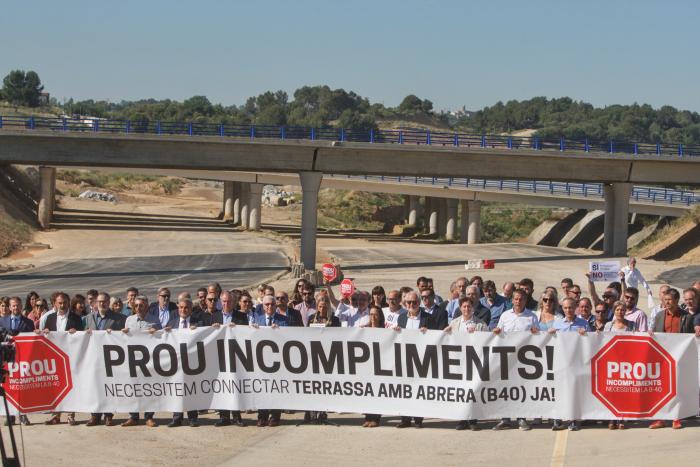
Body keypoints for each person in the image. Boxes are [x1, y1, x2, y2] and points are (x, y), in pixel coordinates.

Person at [492, 289, 539, 431]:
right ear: (512, 300)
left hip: (524, 359)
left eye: (521, 299)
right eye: (516, 299)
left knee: (521, 389)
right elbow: (498, 332)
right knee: (505, 388)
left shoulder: (531, 316)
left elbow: (538, 337)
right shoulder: (505, 315)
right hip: (506, 357)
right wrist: (496, 332)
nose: (518, 302)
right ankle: (505, 419)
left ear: (526, 300)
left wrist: (536, 333)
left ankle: (521, 418)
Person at [649, 288, 695, 430]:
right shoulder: (659, 316)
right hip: (662, 359)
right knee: (661, 388)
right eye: (665, 299)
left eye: (669, 300)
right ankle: (660, 419)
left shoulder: (687, 317)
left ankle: (676, 418)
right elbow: (655, 334)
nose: (666, 302)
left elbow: (691, 337)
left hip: (679, 359)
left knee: (677, 388)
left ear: (676, 301)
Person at [39, 292, 83, 426]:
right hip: (54, 358)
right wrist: (43, 333)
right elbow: (43, 337)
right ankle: (55, 415)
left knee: (70, 387)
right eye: (59, 303)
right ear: (54, 303)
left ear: (68, 302)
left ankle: (70, 415)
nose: (62, 305)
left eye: (64, 302)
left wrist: (76, 333)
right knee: (55, 387)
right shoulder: (49, 318)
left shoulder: (76, 318)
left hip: (70, 357)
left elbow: (81, 337)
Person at [85, 292, 126, 427]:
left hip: (111, 359)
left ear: (109, 303)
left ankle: (108, 415)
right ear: (96, 303)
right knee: (95, 387)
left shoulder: (119, 319)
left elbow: (124, 338)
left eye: (105, 301)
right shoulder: (88, 318)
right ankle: (94, 415)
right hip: (94, 359)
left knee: (109, 387)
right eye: (100, 301)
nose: (102, 304)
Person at [550, 297, 588, 431]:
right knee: (560, 391)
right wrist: (549, 335)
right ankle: (558, 419)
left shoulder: (584, 323)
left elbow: (590, 343)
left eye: (571, 307)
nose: (568, 310)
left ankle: (573, 420)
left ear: (575, 307)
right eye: (565, 308)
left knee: (574, 391)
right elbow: (549, 341)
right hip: (560, 363)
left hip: (577, 363)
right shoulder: (557, 324)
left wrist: (586, 334)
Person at [210, 291, 248, 427]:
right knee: (221, 387)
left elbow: (246, 334)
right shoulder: (214, 316)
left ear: (234, 303)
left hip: (235, 357)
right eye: (224, 301)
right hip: (219, 356)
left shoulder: (242, 317)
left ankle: (237, 416)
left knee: (235, 386)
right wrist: (212, 329)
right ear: (221, 302)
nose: (226, 304)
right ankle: (224, 416)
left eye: (229, 302)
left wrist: (237, 328)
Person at [121, 295, 159, 427]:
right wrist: (122, 333)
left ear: (147, 306)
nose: (138, 308)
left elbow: (162, 339)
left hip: (149, 360)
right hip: (133, 359)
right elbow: (124, 339)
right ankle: (133, 416)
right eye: (136, 305)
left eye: (141, 305)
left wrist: (157, 332)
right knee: (133, 388)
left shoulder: (154, 320)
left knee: (149, 388)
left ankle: (149, 416)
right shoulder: (129, 320)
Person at [250, 295, 287, 426]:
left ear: (276, 306)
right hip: (261, 361)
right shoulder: (257, 320)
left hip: (278, 360)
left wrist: (280, 331)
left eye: (272, 304)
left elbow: (289, 338)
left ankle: (275, 416)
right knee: (262, 388)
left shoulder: (283, 320)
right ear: (263, 306)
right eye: (267, 305)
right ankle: (262, 416)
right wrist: (252, 331)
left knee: (276, 388)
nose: (269, 307)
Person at [167, 297, 202, 428]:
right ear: (178, 308)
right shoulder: (172, 323)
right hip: (176, 363)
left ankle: (193, 418)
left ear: (191, 309)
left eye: (186, 307)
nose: (183, 310)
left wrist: (198, 330)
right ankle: (177, 418)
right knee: (177, 390)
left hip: (193, 363)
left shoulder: (198, 323)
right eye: (181, 307)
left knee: (191, 389)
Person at [395, 291, 428, 428]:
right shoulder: (401, 318)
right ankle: (405, 419)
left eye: (414, 302)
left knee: (419, 390)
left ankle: (418, 419)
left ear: (419, 302)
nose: (411, 305)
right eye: (408, 302)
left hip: (422, 359)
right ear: (404, 303)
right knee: (405, 390)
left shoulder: (427, 318)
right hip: (405, 359)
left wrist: (428, 332)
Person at [362, 305, 385, 428]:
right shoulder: (364, 330)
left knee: (377, 393)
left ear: (380, 316)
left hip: (379, 367)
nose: (373, 317)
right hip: (366, 366)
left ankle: (376, 418)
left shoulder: (385, 330)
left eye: (375, 314)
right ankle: (368, 417)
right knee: (367, 392)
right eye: (370, 314)